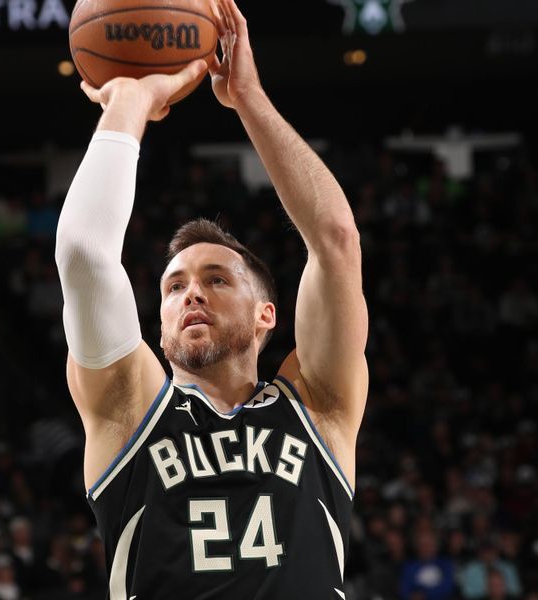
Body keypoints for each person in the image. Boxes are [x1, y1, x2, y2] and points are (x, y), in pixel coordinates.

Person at [54, 0, 368, 597]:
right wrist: (131, 101)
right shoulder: (130, 409)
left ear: (266, 315)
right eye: (174, 286)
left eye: (217, 279)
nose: (192, 291)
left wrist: (248, 98)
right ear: (161, 319)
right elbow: (84, 254)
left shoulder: (320, 408)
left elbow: (336, 240)